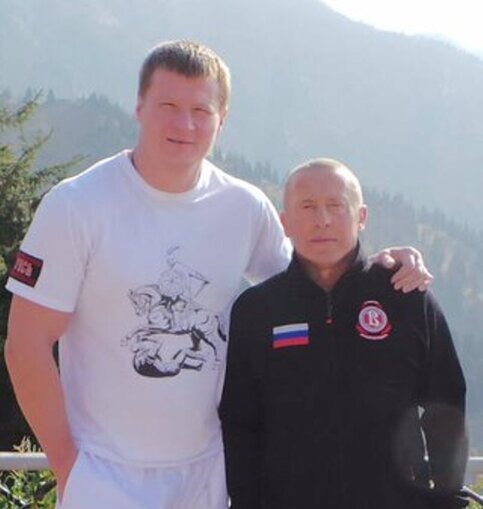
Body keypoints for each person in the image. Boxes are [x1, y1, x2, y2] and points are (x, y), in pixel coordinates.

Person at [5, 40, 431, 509]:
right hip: (106, 472)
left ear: (221, 119)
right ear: (139, 107)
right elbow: (26, 345)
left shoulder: (244, 207)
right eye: (168, 106)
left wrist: (384, 267)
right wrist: (68, 465)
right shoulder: (76, 206)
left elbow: (314, 287)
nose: (184, 125)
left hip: (211, 473)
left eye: (200, 111)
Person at [220, 158, 468, 509]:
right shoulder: (256, 311)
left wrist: (447, 498)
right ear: (285, 223)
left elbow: (446, 407)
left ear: (361, 216)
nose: (322, 219)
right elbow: (240, 423)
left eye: (336, 205)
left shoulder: (407, 298)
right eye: (308, 207)